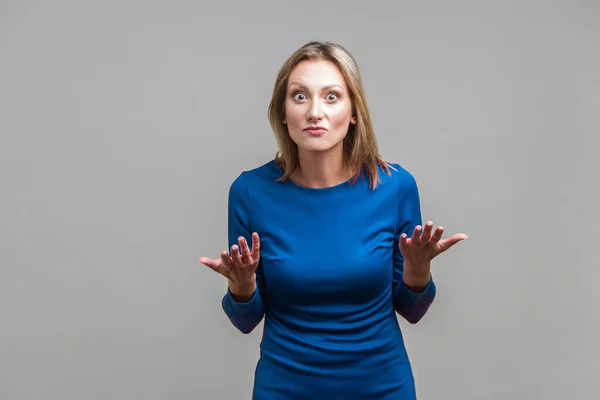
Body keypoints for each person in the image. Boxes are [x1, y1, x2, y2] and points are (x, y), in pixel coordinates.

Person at [198, 41, 467, 399]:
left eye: (331, 97)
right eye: (299, 96)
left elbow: (413, 310)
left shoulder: (395, 187)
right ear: (282, 112)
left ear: (354, 112)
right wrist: (242, 285)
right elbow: (246, 320)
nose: (314, 112)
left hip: (381, 388)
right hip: (285, 388)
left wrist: (417, 271)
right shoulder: (250, 192)